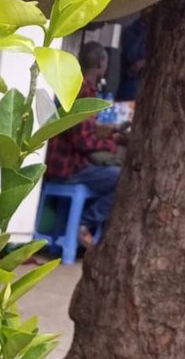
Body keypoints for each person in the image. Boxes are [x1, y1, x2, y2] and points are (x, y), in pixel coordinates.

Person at [46, 41, 128, 248]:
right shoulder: (82, 91)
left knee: (112, 171)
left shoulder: (72, 85)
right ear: (101, 63)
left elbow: (81, 130)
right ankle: (83, 222)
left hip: (60, 163)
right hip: (68, 167)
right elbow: (81, 140)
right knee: (123, 178)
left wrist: (106, 135)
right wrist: (110, 144)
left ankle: (76, 225)